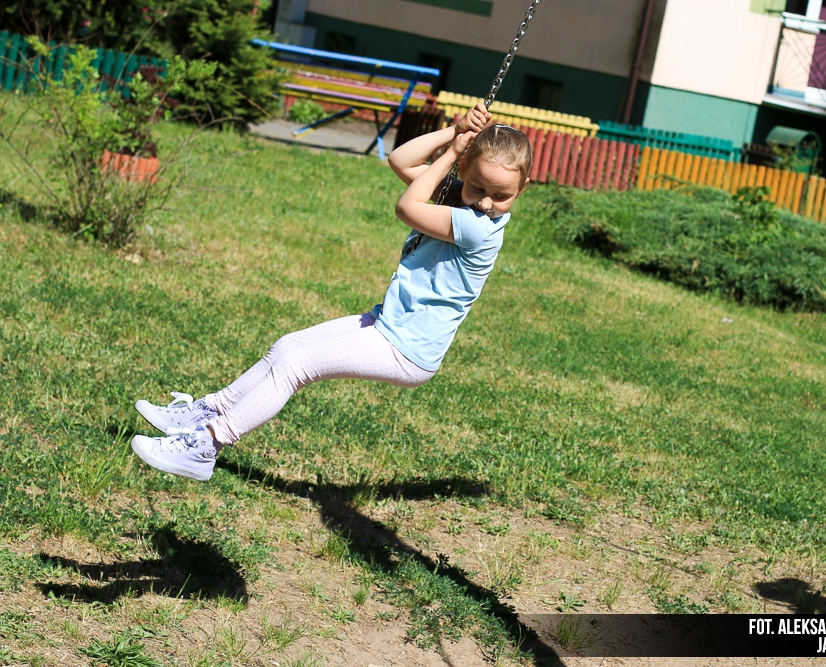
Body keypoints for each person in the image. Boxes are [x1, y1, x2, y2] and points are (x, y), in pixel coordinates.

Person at [130, 103, 532, 481]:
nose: (486, 203)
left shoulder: (478, 228)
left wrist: (453, 154)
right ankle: (204, 413)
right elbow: (400, 160)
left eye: (501, 195)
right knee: (288, 346)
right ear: (466, 172)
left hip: (407, 348)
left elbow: (407, 207)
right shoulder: (459, 197)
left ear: (523, 188)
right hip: (387, 324)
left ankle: (206, 445)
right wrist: (454, 132)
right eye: (477, 187)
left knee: (295, 366)